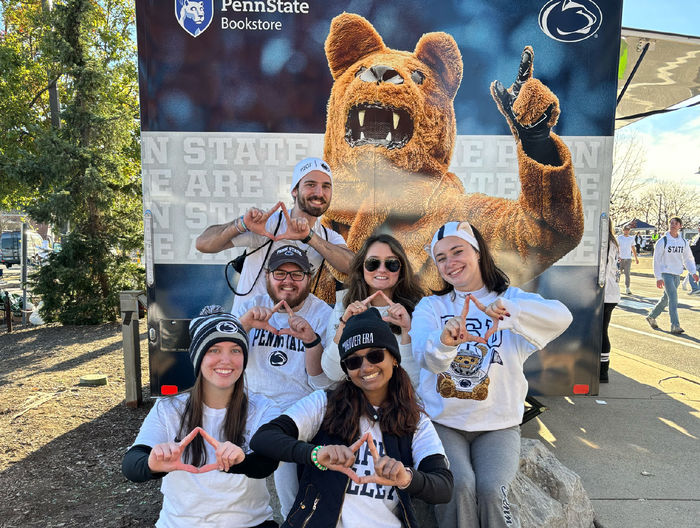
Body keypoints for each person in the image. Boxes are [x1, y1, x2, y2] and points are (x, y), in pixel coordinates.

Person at [410, 221, 572, 528]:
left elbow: (562, 316)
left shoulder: (510, 299)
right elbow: (425, 357)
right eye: (441, 257)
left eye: (458, 251)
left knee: (492, 491)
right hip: (445, 422)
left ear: (479, 252)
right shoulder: (431, 306)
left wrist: (513, 313)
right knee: (458, 486)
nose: (450, 262)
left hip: (498, 426)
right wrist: (445, 341)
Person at [250, 308, 454, 528]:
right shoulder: (324, 403)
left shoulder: (414, 420)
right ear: (346, 370)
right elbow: (264, 438)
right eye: (354, 362)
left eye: (375, 355)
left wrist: (405, 477)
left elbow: (443, 486)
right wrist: (316, 454)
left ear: (394, 358)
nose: (366, 367)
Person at [122, 310, 280, 528]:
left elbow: (266, 464)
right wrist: (153, 463)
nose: (226, 360)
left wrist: (240, 461)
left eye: (235, 350)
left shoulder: (264, 408)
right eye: (214, 349)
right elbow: (131, 465)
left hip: (250, 523)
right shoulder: (169, 407)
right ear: (198, 357)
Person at [234, 244, 334, 517]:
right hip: (252, 406)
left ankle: (294, 519)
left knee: (290, 486)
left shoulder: (323, 314)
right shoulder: (250, 307)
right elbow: (218, 362)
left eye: (296, 274)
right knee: (236, 484)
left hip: (296, 410)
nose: (287, 280)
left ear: (308, 278)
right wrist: (243, 325)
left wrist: (312, 341)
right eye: (280, 273)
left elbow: (322, 384)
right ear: (267, 275)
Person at [195, 157, 354, 312]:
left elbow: (353, 266)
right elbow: (203, 244)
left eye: (326, 186)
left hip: (290, 334)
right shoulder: (268, 224)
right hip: (250, 331)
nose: (319, 192)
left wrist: (309, 237)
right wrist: (242, 224)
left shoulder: (326, 236)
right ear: (294, 190)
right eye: (310, 184)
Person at [322, 234, 424, 387]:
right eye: (373, 263)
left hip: (397, 403)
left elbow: (413, 382)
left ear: (401, 269)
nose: (382, 270)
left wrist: (406, 331)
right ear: (361, 267)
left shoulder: (419, 309)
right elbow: (333, 373)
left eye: (391, 264)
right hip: (356, 403)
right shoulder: (345, 305)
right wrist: (344, 325)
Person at [646, 217, 699, 334]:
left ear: (680, 226)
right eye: (671, 223)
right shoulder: (662, 241)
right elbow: (656, 260)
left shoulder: (684, 242)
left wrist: (693, 272)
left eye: (676, 223)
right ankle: (675, 325)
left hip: (676, 274)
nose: (673, 225)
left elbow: (688, 259)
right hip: (666, 274)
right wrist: (658, 277)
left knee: (666, 299)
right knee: (673, 299)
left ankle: (651, 316)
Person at [601, 219, 620, 383]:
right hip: (611, 293)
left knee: (600, 332)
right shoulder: (613, 242)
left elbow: (603, 271)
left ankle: (602, 371)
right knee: (603, 331)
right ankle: (603, 369)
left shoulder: (604, 242)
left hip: (604, 293)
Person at [617, 225, 638, 295]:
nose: (626, 231)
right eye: (625, 230)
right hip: (620, 259)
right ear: (623, 230)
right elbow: (616, 248)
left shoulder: (631, 238)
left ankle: (627, 288)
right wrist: (617, 256)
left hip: (628, 259)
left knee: (627, 274)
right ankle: (616, 287)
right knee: (617, 273)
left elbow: (633, 248)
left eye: (628, 230)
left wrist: (636, 258)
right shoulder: (619, 238)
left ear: (629, 231)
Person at [687, 223, 700, 295]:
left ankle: (695, 289)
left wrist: (689, 248)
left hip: (697, 260)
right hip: (697, 259)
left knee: (691, 274)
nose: (698, 229)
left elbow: (697, 247)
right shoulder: (697, 237)